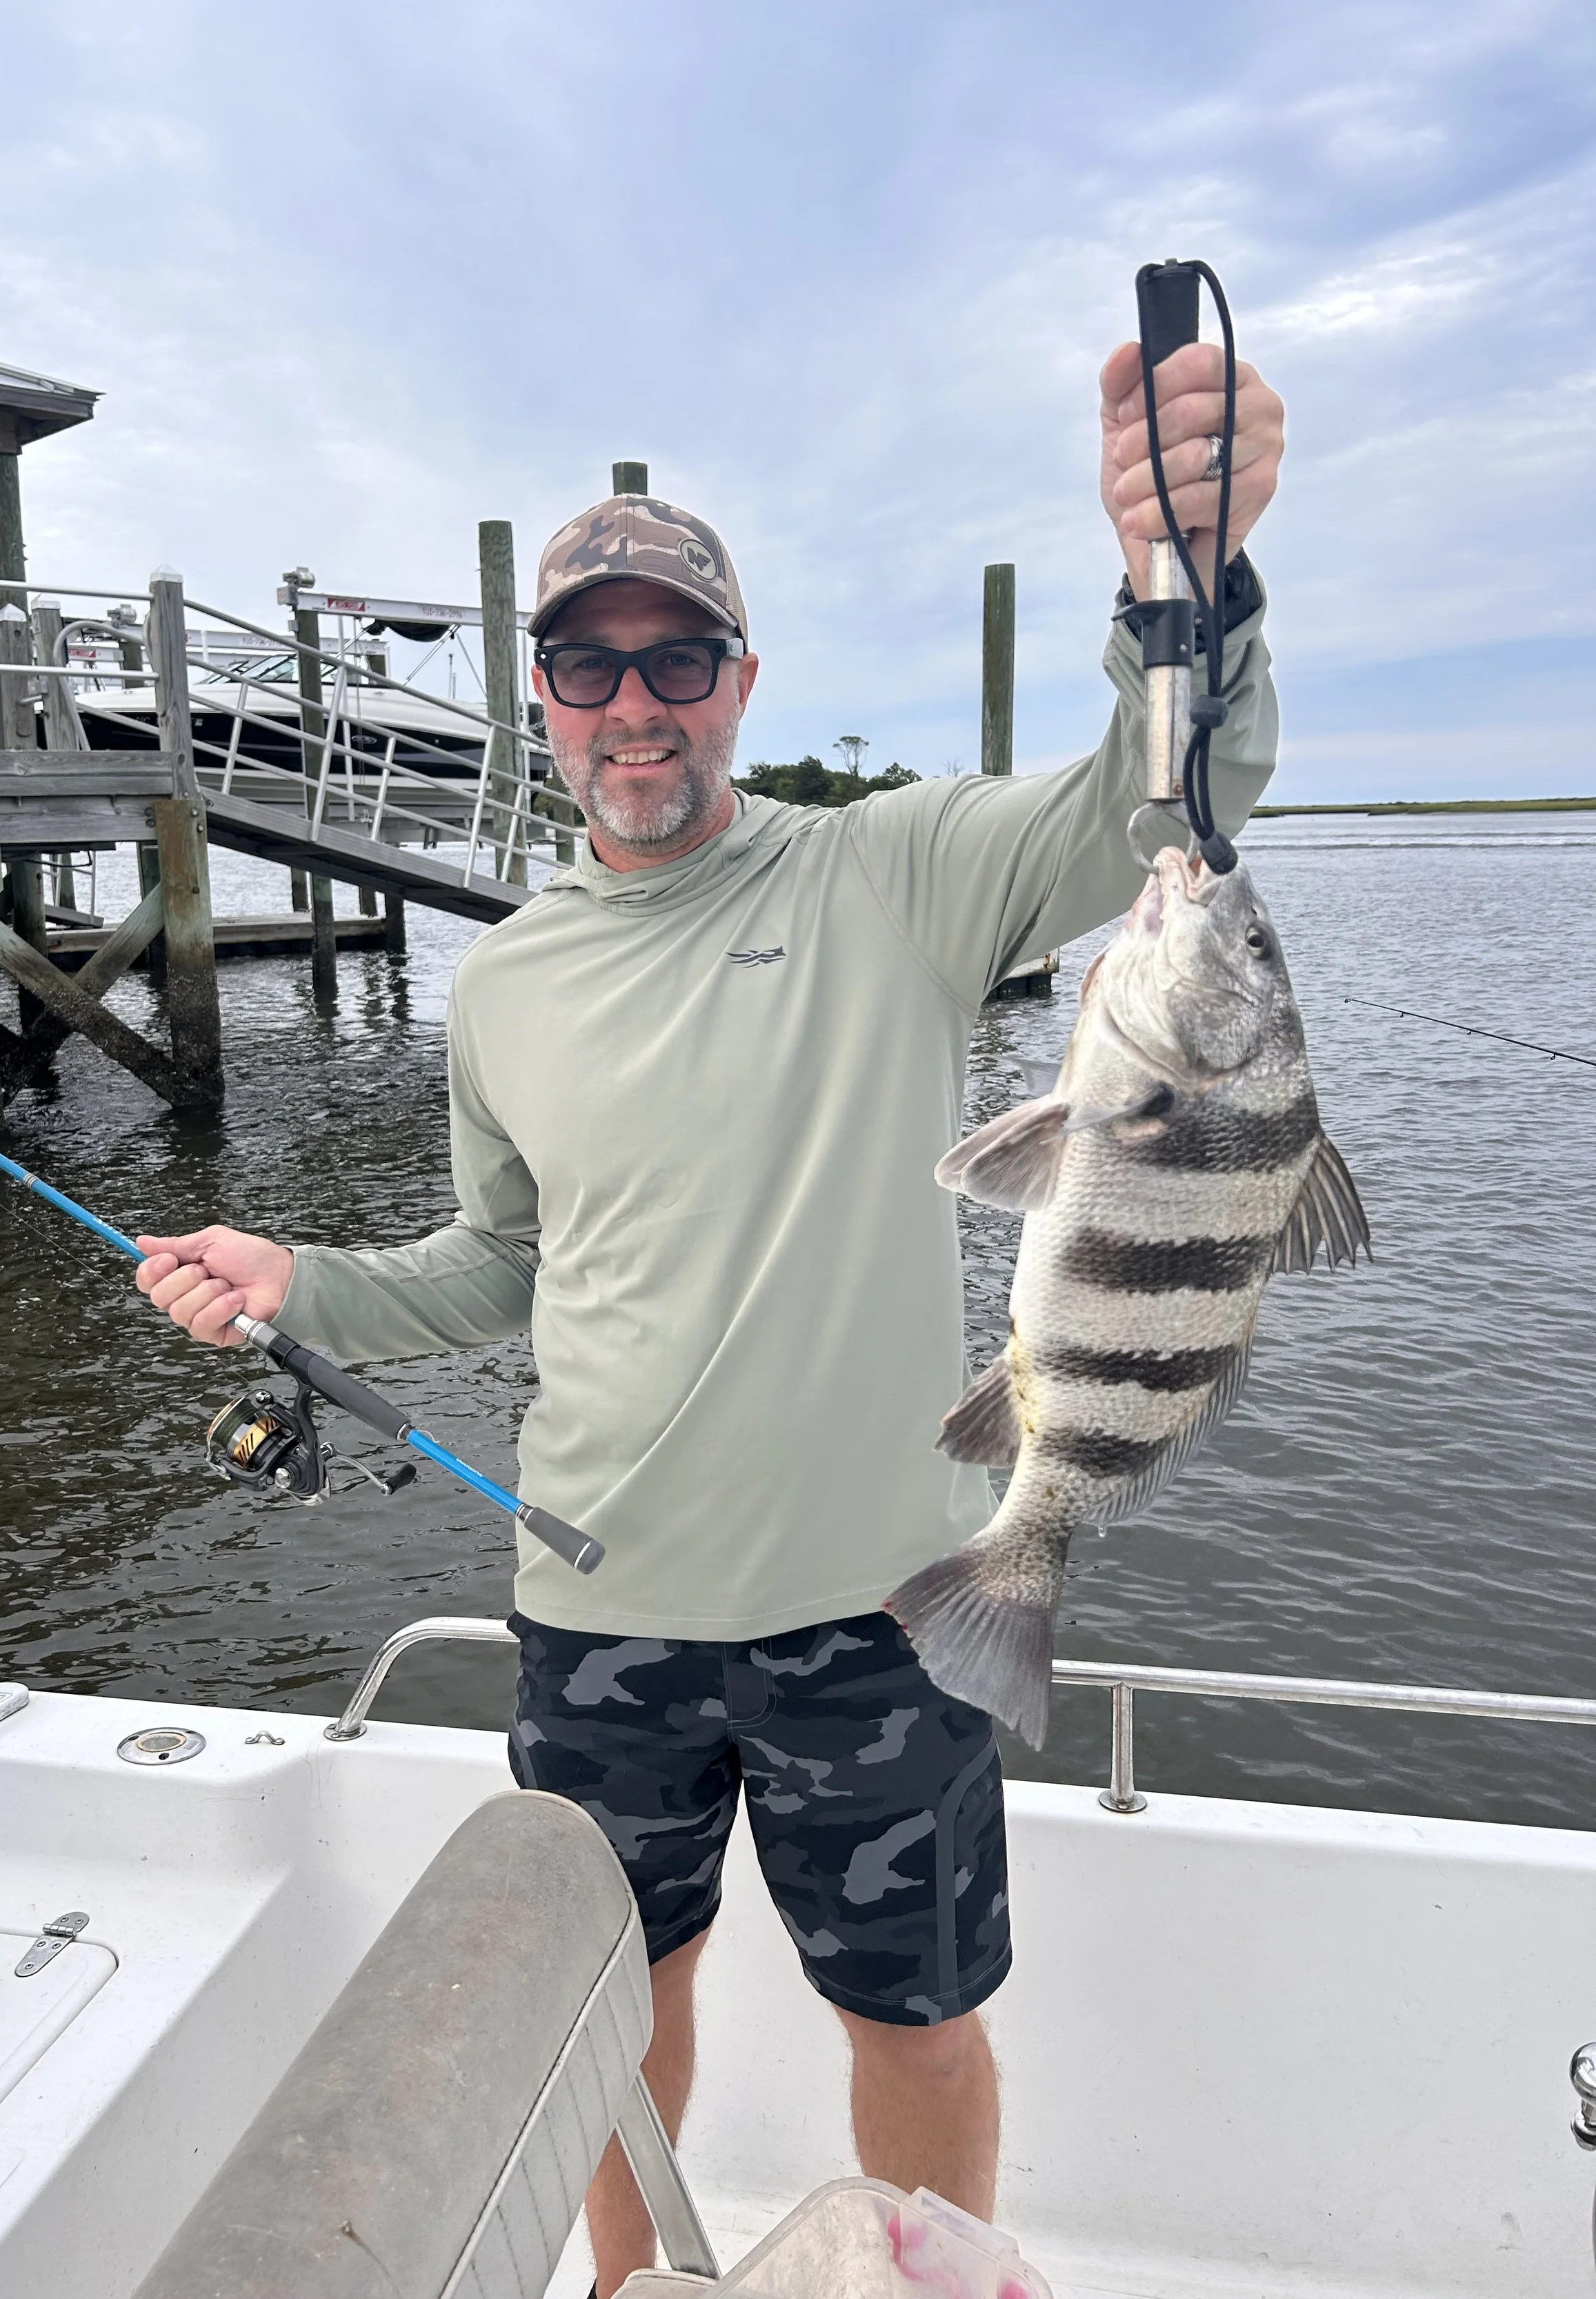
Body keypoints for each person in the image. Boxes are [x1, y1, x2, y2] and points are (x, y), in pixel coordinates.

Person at [137, 337, 1285, 2296]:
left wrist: (1185, 584)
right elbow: (506, 1260)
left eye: (680, 661)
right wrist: (302, 1282)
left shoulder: (896, 876)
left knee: (910, 2015)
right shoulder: (501, 986)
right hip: (597, 1612)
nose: (635, 704)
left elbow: (1164, 799)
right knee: (611, 2001)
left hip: (888, 1602)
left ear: (740, 682)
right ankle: (629, 2281)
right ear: (542, 698)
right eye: (590, 665)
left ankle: (938, 2279)